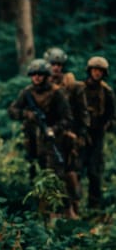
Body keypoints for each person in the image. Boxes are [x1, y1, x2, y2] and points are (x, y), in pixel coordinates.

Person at [8, 58, 73, 216]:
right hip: (31, 140)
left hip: (51, 140)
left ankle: (61, 210)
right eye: (34, 74)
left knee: (54, 175)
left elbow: (67, 118)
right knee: (34, 174)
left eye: (40, 74)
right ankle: (39, 211)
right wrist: (27, 114)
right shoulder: (27, 93)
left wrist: (54, 129)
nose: (36, 77)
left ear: (46, 76)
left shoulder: (56, 93)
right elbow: (12, 111)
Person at [44, 47, 90, 217]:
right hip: (50, 136)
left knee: (72, 171)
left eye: (59, 64)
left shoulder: (73, 85)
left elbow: (82, 111)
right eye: (53, 64)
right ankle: (53, 210)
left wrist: (81, 134)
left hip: (69, 136)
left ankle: (74, 208)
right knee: (51, 173)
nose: (56, 67)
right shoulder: (43, 85)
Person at [81, 56, 115, 209]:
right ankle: (73, 204)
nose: (97, 73)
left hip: (97, 134)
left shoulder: (107, 91)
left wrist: (106, 125)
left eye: (100, 71)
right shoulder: (80, 88)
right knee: (76, 168)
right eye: (94, 70)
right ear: (90, 71)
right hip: (81, 133)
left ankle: (94, 205)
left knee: (95, 171)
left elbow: (111, 114)